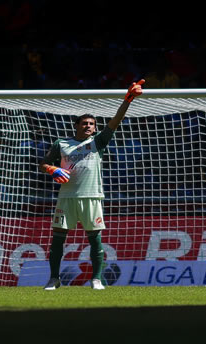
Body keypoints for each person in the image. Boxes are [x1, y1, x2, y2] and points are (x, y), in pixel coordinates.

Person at [39, 79, 144, 290]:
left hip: (92, 196)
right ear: (76, 125)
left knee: (95, 240)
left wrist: (127, 101)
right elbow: (43, 163)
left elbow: (115, 120)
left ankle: (96, 279)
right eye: (85, 123)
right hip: (66, 197)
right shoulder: (61, 143)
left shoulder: (98, 142)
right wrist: (52, 169)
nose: (89, 126)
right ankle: (54, 279)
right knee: (58, 239)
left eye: (92, 124)